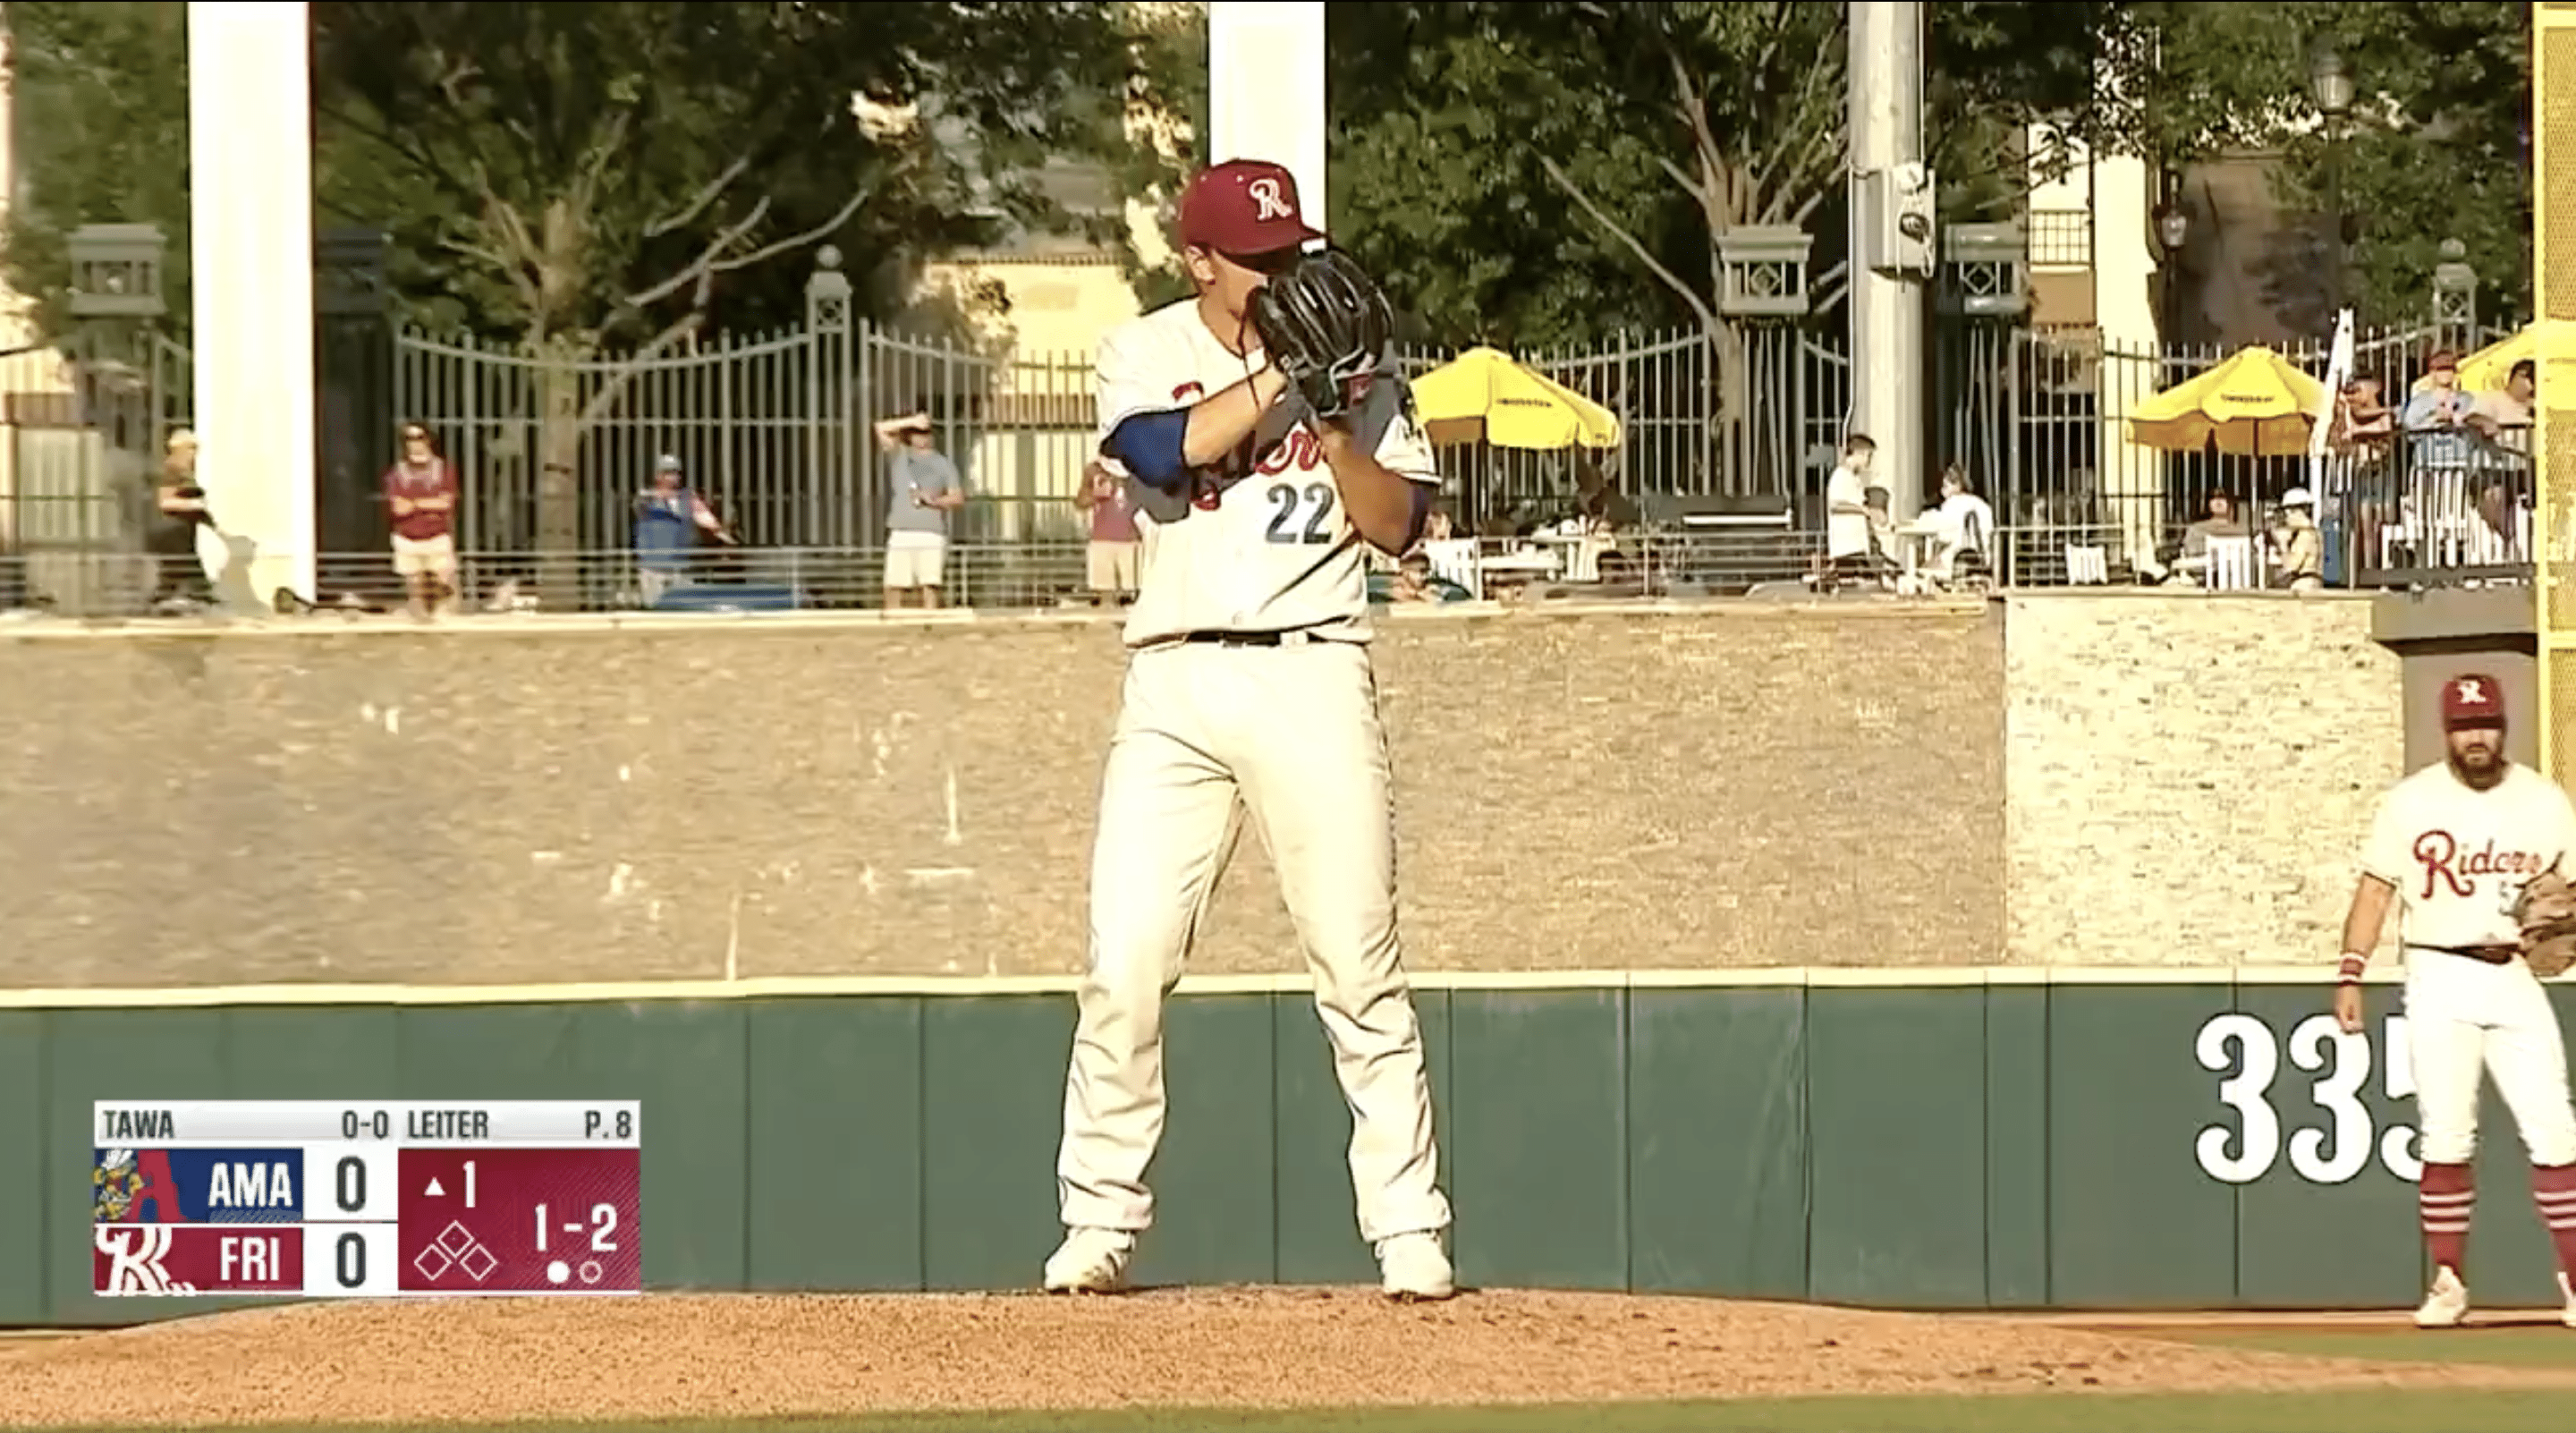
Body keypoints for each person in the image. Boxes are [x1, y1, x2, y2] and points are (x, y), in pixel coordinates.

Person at [1046, 157, 1456, 1302]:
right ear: (1201, 260)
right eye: (1260, 261)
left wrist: (1336, 428)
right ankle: (1099, 1221)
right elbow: (1160, 456)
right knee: (1123, 964)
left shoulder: (1362, 373)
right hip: (1173, 684)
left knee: (1358, 967)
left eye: (1293, 255)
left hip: (1313, 669)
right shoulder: (1146, 347)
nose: (1285, 276)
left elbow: (1401, 529)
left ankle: (1408, 1226)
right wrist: (1284, 375)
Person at [2332, 673, 2576, 1329]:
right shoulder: (2411, 803)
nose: (2477, 736)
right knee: (2445, 1132)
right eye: (2466, 726)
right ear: (2447, 731)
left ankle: (2575, 1281)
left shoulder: (2544, 801)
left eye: (2487, 724)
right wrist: (2350, 973)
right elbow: (2376, 891)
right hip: (2438, 971)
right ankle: (2448, 1281)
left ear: (2503, 728)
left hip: (2514, 971)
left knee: (2556, 1128)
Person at [875, 412, 966, 608]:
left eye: (925, 433)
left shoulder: (943, 464)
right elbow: (880, 428)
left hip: (930, 532)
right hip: (901, 530)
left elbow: (957, 498)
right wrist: (911, 420)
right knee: (894, 583)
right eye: (916, 433)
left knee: (930, 583)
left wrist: (933, 500)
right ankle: (893, 622)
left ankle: (929, 621)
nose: (922, 437)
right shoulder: (900, 455)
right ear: (910, 436)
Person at [631, 455, 733, 606]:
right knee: (653, 611)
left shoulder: (687, 498)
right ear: (657, 475)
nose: (673, 477)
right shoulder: (646, 499)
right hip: (652, 568)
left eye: (676, 473)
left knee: (683, 610)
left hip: (680, 567)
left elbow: (704, 517)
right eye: (667, 473)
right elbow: (639, 504)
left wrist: (718, 530)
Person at [383, 423, 460, 619]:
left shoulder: (443, 470)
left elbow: (446, 504)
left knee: (444, 591)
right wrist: (429, 505)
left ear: (429, 440)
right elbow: (398, 508)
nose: (415, 443)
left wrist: (414, 504)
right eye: (410, 438)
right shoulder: (396, 474)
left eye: (420, 437)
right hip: (407, 538)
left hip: (437, 537)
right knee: (416, 593)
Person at [1073, 458, 1142, 606]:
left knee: (1134, 591)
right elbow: (1080, 502)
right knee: (1103, 591)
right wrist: (1095, 494)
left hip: (1132, 539)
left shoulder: (1140, 466)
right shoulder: (1095, 470)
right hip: (1102, 540)